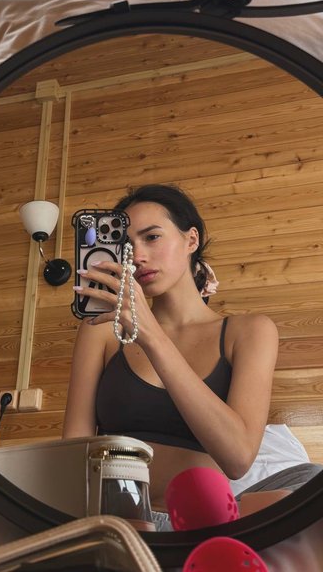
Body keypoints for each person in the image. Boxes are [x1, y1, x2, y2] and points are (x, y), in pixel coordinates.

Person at [62, 183, 307, 530]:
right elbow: (74, 454)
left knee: (310, 484)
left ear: (191, 240)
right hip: (122, 522)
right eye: (127, 247)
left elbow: (238, 458)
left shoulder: (249, 331)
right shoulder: (102, 330)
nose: (139, 256)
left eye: (152, 237)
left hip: (206, 523)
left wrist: (152, 337)